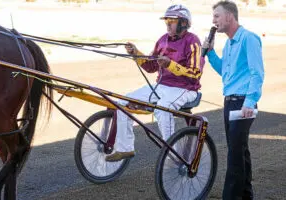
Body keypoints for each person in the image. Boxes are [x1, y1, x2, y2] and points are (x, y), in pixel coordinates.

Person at [105, 4, 205, 162]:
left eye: (171, 21)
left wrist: (170, 64)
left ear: (183, 23)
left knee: (163, 109)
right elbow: (151, 66)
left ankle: (174, 155)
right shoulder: (162, 40)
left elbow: (195, 73)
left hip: (185, 88)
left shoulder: (193, 41)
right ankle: (125, 149)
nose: (167, 24)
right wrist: (136, 53)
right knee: (123, 102)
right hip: (162, 86)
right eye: (167, 21)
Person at [202, 1, 264, 199]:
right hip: (230, 102)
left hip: (243, 103)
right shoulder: (229, 44)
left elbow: (257, 73)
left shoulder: (249, 39)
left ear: (229, 16)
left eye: (217, 16)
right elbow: (225, 72)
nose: (214, 21)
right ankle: (246, 195)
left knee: (234, 155)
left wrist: (249, 101)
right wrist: (210, 53)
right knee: (239, 151)